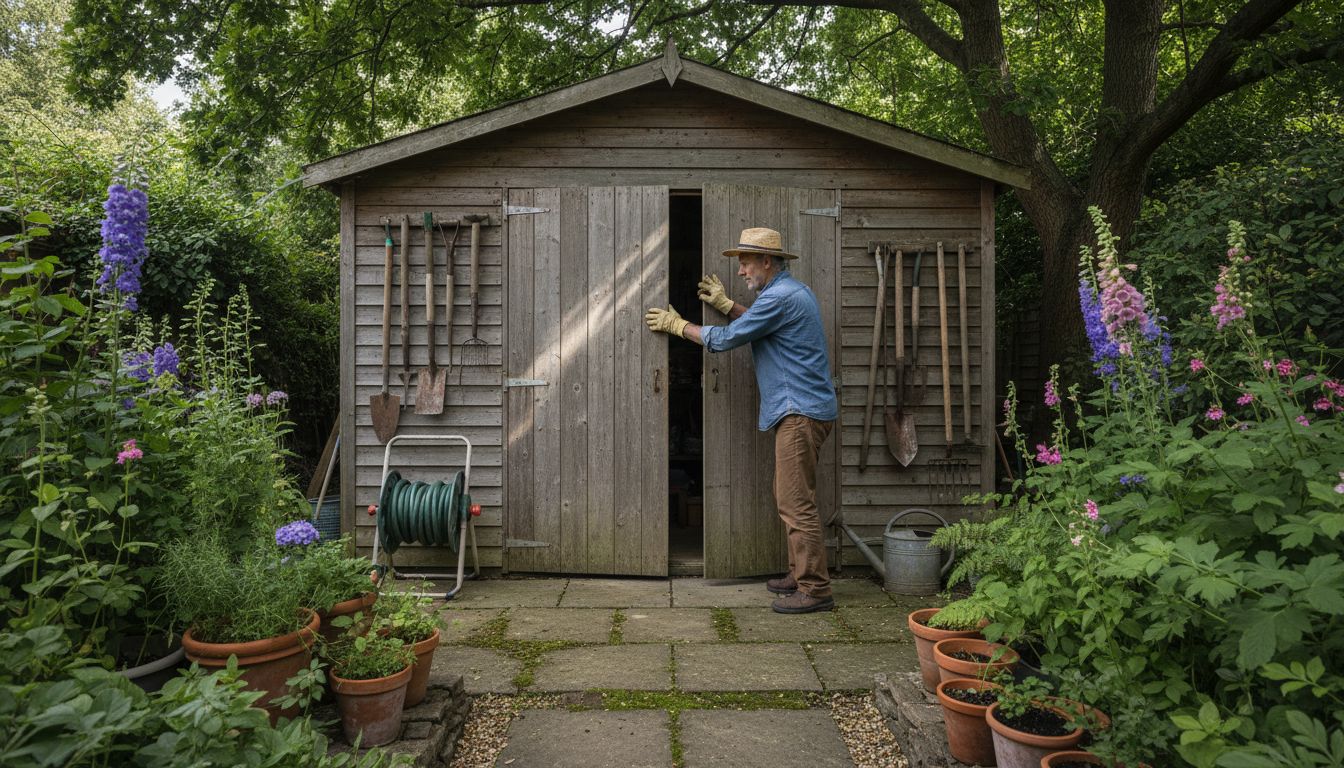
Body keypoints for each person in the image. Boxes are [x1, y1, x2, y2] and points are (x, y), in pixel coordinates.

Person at [645, 227, 839, 614]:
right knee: (792, 497)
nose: (741, 271)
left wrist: (678, 326)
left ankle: (815, 589)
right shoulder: (787, 294)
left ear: (767, 261)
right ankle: (798, 574)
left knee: (796, 502)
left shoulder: (780, 297)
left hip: (798, 412)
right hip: (803, 410)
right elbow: (757, 325)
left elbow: (728, 339)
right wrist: (727, 304)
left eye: (746, 263)